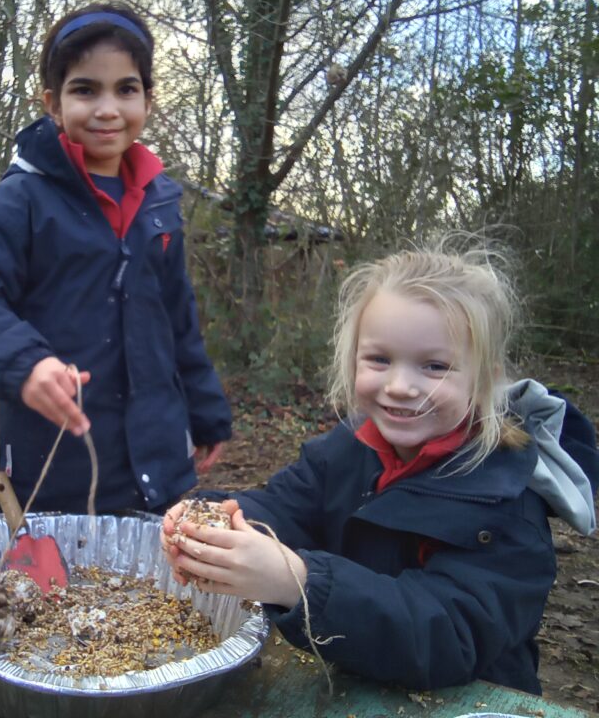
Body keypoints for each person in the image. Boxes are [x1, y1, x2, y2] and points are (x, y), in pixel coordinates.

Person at [162, 241, 598, 694]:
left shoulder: (506, 500)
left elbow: (447, 636)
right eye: (379, 359)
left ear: (483, 378)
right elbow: (284, 506)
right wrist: (211, 521)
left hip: (467, 698)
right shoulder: (350, 447)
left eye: (434, 366)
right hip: (351, 680)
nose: (400, 386)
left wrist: (298, 583)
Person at [0, 3, 232, 514]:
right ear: (53, 103)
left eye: (126, 89)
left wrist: (205, 411)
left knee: (155, 589)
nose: (107, 108)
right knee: (63, 588)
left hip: (159, 460)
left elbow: (179, 319)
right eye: (85, 89)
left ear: (148, 100)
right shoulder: (21, 200)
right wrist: (25, 364)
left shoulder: (159, 201)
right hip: (58, 463)